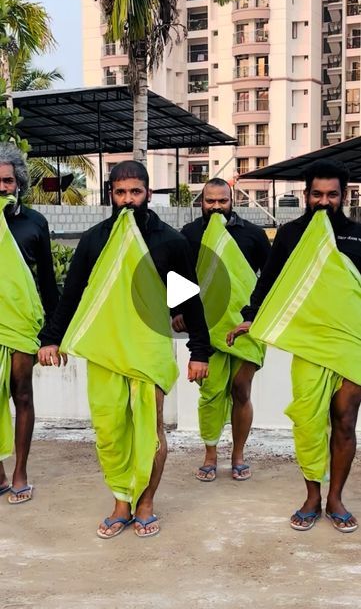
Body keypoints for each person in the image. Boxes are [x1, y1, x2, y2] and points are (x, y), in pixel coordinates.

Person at [38, 160, 210, 538]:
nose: (128, 200)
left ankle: (145, 502)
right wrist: (51, 337)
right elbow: (72, 294)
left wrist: (200, 352)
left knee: (150, 432)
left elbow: (189, 300)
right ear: (110, 195)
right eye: (120, 193)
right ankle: (120, 500)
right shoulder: (94, 239)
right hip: (105, 350)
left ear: (148, 193)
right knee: (110, 431)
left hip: (149, 348)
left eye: (135, 192)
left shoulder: (170, 241)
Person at [228, 158, 361, 533]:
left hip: (353, 341)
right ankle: (312, 496)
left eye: (332, 195)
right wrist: (252, 315)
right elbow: (269, 281)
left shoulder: (358, 235)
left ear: (344, 195)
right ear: (305, 195)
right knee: (308, 420)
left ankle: (335, 498)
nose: (324, 201)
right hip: (309, 344)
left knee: (345, 420)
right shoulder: (289, 235)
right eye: (317, 194)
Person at [173, 178, 270, 482]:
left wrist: (257, 317)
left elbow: (268, 278)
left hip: (246, 325)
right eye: (209, 201)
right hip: (207, 325)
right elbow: (177, 273)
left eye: (222, 201)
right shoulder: (189, 234)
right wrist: (176, 310)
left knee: (241, 389)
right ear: (201, 202)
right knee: (212, 392)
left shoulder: (253, 235)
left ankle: (238, 454)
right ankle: (210, 454)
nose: (216, 207)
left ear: (232, 201)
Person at [0, 143, 58, 504]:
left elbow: (49, 282)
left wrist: (54, 333)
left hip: (22, 322)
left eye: (7, 180)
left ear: (18, 183)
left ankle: (20, 470)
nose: (1, 187)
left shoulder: (34, 222)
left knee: (22, 393)